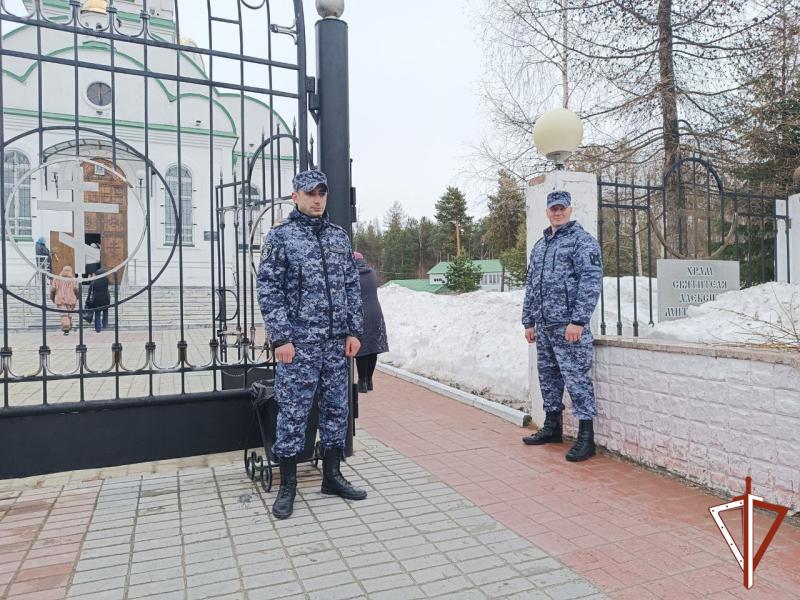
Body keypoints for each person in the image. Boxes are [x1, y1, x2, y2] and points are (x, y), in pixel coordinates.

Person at [256, 169, 367, 520]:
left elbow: (352, 286)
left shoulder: (338, 238)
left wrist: (354, 330)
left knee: (336, 410)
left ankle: (332, 476)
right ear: (295, 197)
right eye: (310, 194)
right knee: (293, 413)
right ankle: (288, 484)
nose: (317, 199)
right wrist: (282, 337)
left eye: (322, 193)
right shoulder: (281, 238)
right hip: (299, 345)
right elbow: (268, 289)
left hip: (336, 344)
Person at [521, 191, 603, 462]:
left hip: (569, 328)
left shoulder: (583, 242)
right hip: (544, 327)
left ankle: (586, 438)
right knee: (548, 378)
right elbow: (532, 285)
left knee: (577, 380)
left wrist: (578, 321)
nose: (557, 212)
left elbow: (590, 284)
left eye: (562, 208)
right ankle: (552, 427)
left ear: (570, 210)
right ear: (547, 211)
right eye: (553, 209)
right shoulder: (541, 246)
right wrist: (529, 320)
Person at [353, 251, 388, 393]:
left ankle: (362, 381)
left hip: (361, 313)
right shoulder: (372, 273)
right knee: (373, 347)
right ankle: (369, 380)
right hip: (376, 313)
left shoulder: (353, 275)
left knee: (362, 348)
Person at [51, 265, 78, 335]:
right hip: (71, 299)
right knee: (69, 314)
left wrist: (52, 297)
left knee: (64, 315)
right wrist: (77, 297)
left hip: (60, 299)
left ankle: (66, 329)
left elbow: (52, 289)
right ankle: (69, 325)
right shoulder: (74, 280)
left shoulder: (57, 279)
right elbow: (77, 290)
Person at [87, 268, 110, 333]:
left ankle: (98, 328)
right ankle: (105, 325)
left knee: (97, 314)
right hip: (106, 299)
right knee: (105, 312)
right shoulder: (106, 280)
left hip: (96, 300)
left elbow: (90, 290)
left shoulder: (94, 281)